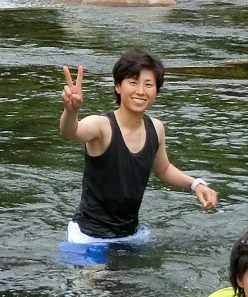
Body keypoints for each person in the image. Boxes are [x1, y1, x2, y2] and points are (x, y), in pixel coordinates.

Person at [58, 50, 216, 263]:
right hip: (89, 236)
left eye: (148, 84)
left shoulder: (156, 128)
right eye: (133, 82)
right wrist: (71, 111)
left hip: (130, 235)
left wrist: (195, 184)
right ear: (118, 86)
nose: (140, 91)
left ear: (156, 90)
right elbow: (71, 133)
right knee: (95, 283)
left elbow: (163, 169)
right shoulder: (102, 126)